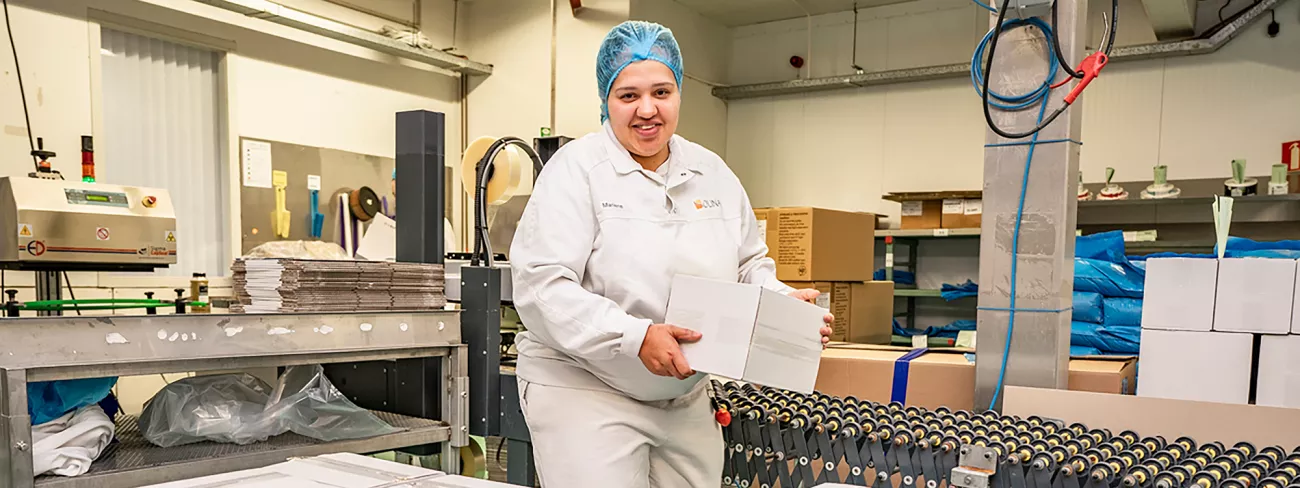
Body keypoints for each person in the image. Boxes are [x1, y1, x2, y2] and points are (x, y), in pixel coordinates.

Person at [509, 20, 834, 487]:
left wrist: (779, 302)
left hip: (685, 392)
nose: (647, 110)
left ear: (679, 93)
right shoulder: (576, 172)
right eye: (628, 96)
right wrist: (635, 336)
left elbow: (748, 266)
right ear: (607, 100)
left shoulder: (712, 172)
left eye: (661, 92)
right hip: (585, 387)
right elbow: (542, 286)